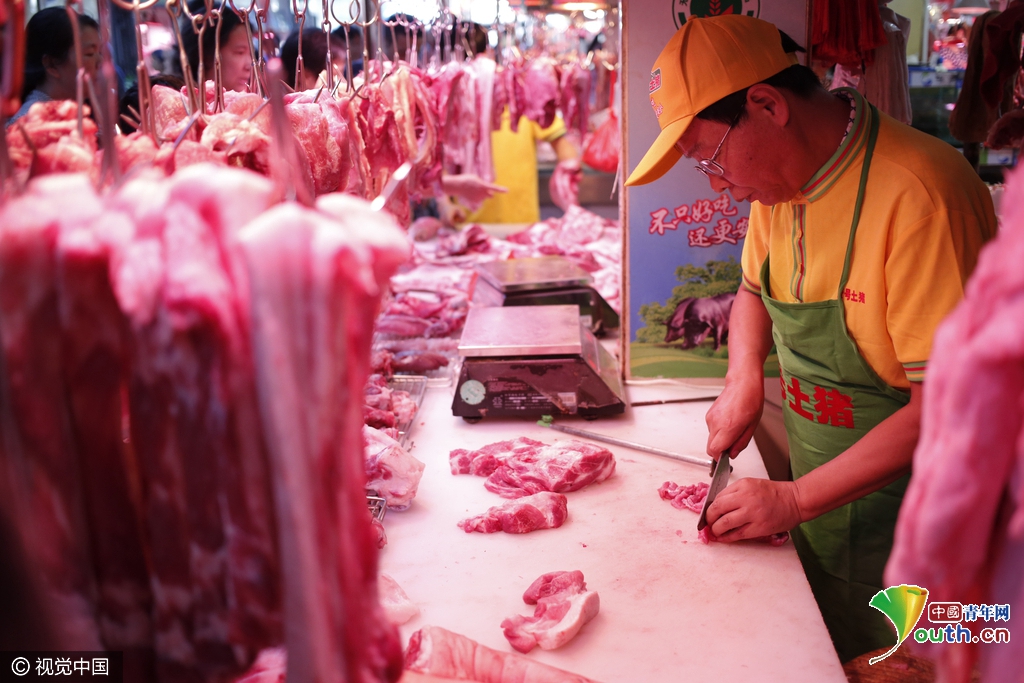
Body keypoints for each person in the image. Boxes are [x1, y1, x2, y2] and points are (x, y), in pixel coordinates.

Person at [624, 16, 997, 662]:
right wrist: (743, 376)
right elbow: (750, 292)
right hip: (826, 521)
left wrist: (793, 497)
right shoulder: (777, 191)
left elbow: (946, 406)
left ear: (767, 106)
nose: (717, 183)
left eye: (709, 158)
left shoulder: (922, 195)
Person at [8, 7, 100, 125]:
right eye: (89, 54)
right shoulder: (29, 123)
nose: (100, 62)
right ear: (51, 64)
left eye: (100, 52)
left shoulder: (79, 110)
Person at [178, 3, 252, 93]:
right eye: (240, 52)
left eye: (251, 54)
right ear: (206, 54)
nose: (249, 66)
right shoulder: (177, 102)